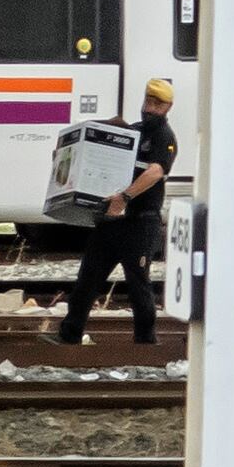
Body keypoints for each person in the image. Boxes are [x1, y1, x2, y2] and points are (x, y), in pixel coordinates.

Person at [57, 77, 180, 346]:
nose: (149, 108)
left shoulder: (164, 138)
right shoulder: (134, 132)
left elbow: (156, 171)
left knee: (138, 286)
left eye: (157, 104)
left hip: (139, 223)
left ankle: (145, 343)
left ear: (168, 107)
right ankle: (69, 335)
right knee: (87, 281)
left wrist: (125, 197)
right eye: (148, 101)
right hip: (111, 221)